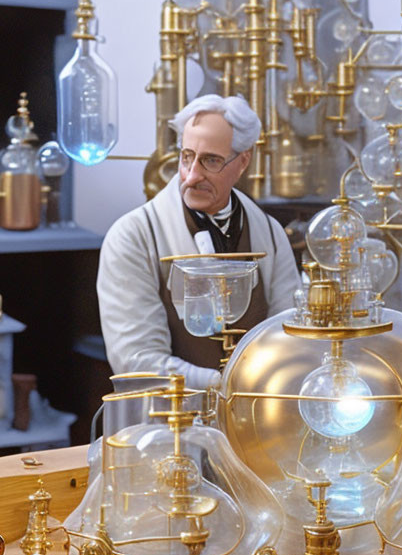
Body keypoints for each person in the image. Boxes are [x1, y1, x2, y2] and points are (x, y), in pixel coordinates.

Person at [97, 94, 301, 389]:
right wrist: (223, 385)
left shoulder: (270, 233)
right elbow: (137, 362)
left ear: (243, 161)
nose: (192, 176)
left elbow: (289, 337)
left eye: (210, 161)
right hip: (164, 427)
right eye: (187, 157)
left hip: (253, 424)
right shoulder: (133, 236)